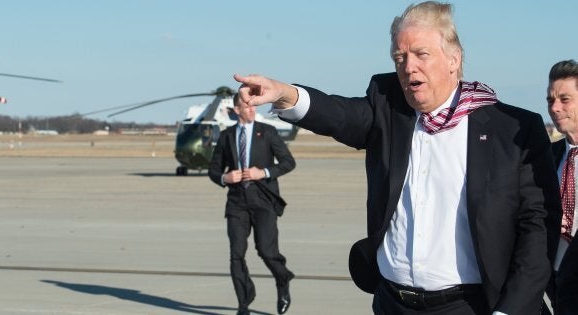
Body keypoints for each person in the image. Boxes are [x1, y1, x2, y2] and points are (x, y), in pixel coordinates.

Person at [233, 1, 561, 314]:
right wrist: (284, 92)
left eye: (421, 54)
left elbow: (537, 229)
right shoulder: (389, 108)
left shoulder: (513, 130)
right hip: (392, 303)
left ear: (453, 59)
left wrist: (511, 310)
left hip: (470, 306)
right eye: (399, 56)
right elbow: (340, 115)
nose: (408, 66)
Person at [208, 94, 296, 315]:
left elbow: (288, 162)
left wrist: (263, 172)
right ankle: (243, 303)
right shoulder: (227, 136)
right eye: (246, 107)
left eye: (253, 106)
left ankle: (282, 279)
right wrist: (224, 178)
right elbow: (214, 169)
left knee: (266, 251)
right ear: (236, 109)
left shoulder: (267, 132)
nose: (252, 109)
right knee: (236, 254)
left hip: (263, 200)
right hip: (237, 203)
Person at [546, 59, 578, 315]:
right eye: (550, 100)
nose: (555, 108)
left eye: (564, 99)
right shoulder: (547, 156)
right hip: (553, 282)